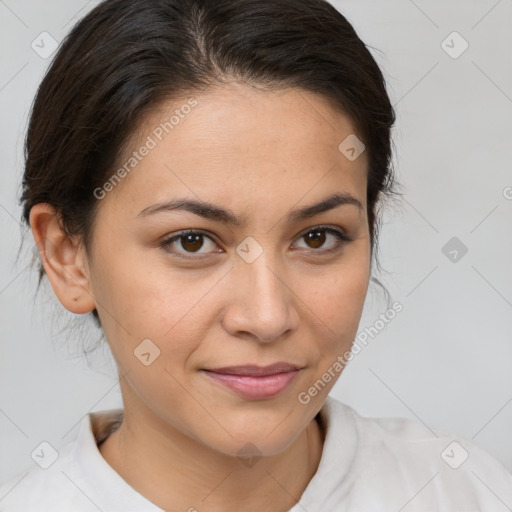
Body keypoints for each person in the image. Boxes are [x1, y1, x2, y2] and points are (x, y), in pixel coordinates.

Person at [1, 0, 512, 510]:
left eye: (318, 237)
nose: (267, 317)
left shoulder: (465, 492)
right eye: (192, 241)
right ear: (68, 256)